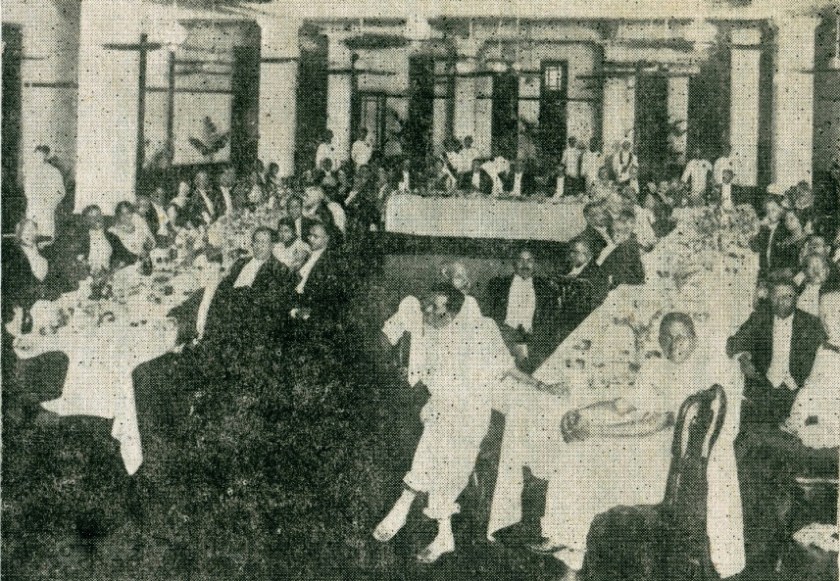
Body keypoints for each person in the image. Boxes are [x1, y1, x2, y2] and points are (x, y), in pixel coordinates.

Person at [535, 313, 745, 580]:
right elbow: (622, 405)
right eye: (667, 338)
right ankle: (568, 545)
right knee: (580, 451)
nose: (674, 345)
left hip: (671, 468)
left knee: (589, 461)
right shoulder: (657, 368)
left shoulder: (699, 373)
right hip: (653, 451)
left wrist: (597, 430)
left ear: (693, 339)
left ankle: (572, 555)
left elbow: (654, 424)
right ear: (659, 340)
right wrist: (582, 412)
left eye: (681, 338)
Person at [374, 284, 567, 564]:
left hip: (471, 412)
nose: (427, 310)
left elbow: (507, 368)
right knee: (433, 445)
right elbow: (390, 335)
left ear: (452, 313)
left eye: (435, 307)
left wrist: (541, 386)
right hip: (441, 405)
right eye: (427, 303)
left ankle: (412, 512)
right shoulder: (422, 320)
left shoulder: (479, 331)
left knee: (449, 467)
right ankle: (430, 526)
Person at [727, 273, 825, 425]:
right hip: (762, 389)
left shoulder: (811, 323)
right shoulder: (760, 318)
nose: (781, 301)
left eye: (787, 296)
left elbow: (824, 359)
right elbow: (733, 343)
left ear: (796, 298)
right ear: (769, 297)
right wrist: (743, 358)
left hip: (797, 393)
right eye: (776, 296)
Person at [201, 227, 293, 348]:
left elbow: (269, 301)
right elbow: (223, 288)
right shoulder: (241, 262)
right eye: (256, 242)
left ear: (272, 246)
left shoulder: (279, 269)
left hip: (249, 323)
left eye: (263, 242)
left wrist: (239, 295)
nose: (259, 246)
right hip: (225, 314)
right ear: (252, 244)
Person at [484, 249, 560, 368]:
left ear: (534, 264)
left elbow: (550, 319)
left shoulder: (546, 287)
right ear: (514, 263)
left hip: (534, 339)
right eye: (521, 260)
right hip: (505, 337)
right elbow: (488, 315)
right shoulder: (498, 285)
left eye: (529, 261)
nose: (525, 265)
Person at [784, 291, 840, 450]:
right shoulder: (824, 350)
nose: (828, 321)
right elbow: (811, 388)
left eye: (835, 312)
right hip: (823, 414)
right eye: (824, 314)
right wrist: (807, 418)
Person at [292, 223, 347, 324]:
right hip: (298, 304)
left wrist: (306, 311)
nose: (310, 239)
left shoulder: (330, 262)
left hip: (315, 313)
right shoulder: (308, 255)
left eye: (315, 236)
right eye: (310, 235)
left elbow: (329, 297)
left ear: (327, 239)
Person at [2, 219, 53, 316]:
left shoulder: (42, 253)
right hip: (23, 305)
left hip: (44, 302)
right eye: (26, 230)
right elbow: (13, 286)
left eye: (33, 230)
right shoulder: (14, 254)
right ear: (19, 233)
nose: (29, 234)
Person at [71, 205, 136, 274]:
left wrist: (116, 268)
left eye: (98, 215)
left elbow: (128, 256)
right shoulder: (82, 239)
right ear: (86, 221)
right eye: (92, 217)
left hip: (108, 276)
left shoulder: (111, 236)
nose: (97, 219)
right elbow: (76, 260)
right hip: (86, 277)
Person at [23, 145, 65, 241]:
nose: (38, 158)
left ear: (46, 156)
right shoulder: (31, 172)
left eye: (41, 155)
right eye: (36, 156)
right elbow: (27, 189)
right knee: (31, 234)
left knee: (45, 234)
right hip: (33, 207)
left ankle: (46, 244)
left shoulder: (54, 172)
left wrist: (50, 201)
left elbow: (60, 191)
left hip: (46, 207)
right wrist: (33, 198)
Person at [597, 210, 645, 288]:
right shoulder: (625, 244)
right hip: (627, 277)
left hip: (629, 279)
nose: (632, 225)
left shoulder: (628, 244)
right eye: (630, 222)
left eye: (633, 222)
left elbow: (626, 265)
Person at [750, 196, 790, 276]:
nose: (770, 214)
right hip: (766, 272)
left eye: (773, 210)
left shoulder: (785, 229)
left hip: (778, 274)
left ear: (781, 210)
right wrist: (757, 229)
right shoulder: (766, 229)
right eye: (768, 211)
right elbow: (754, 247)